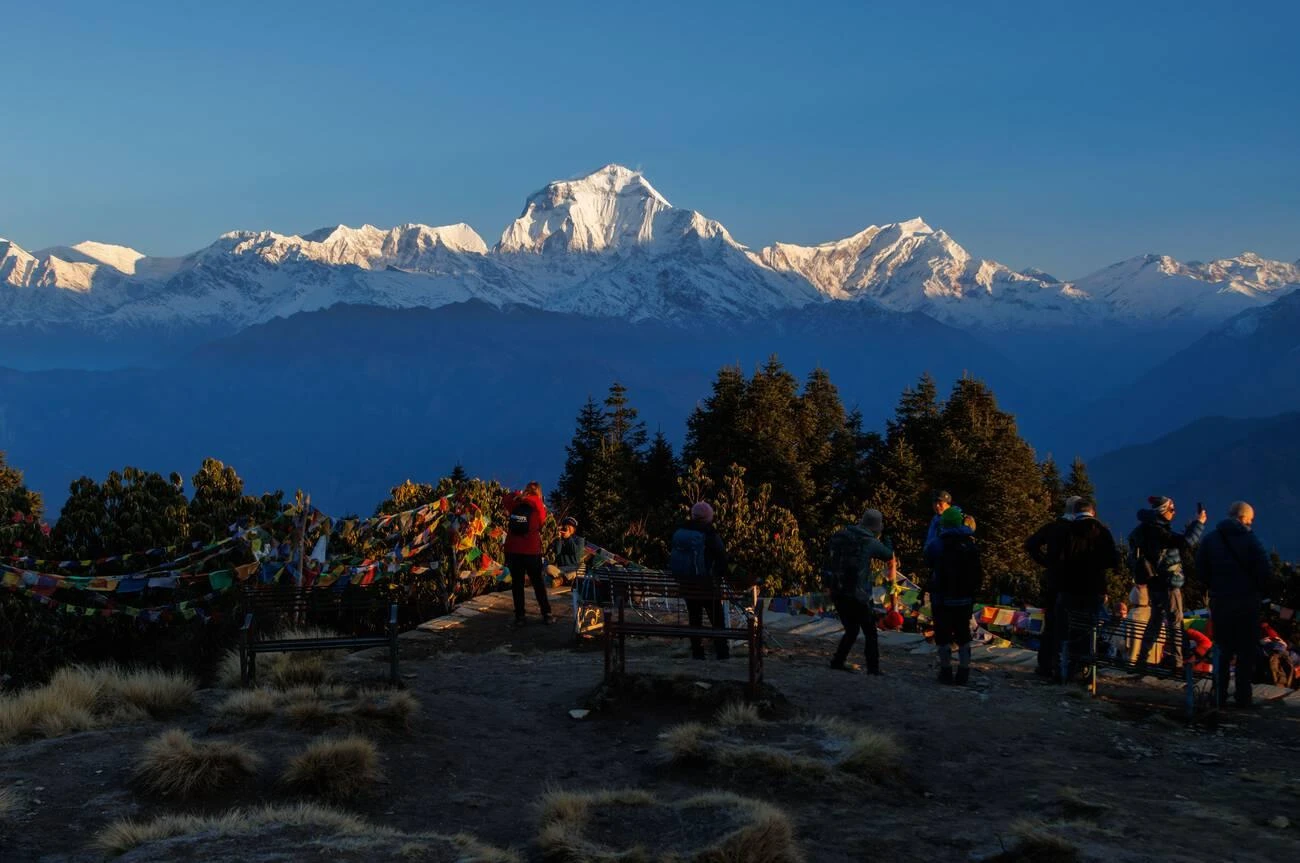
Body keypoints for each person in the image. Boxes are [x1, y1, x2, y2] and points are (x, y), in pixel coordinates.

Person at [1196, 501, 1271, 708]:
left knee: (1222, 649)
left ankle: (1219, 694)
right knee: (1246, 651)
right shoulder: (1251, 541)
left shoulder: (1211, 539)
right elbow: (1265, 571)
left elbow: (1200, 570)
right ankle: (1243, 697)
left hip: (1221, 602)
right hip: (1247, 603)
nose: (1251, 523)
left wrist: (1215, 586)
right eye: (1250, 520)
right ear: (1243, 518)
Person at [1129, 495, 1206, 671]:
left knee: (1155, 621)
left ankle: (1142, 659)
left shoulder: (1143, 529)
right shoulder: (1159, 531)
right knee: (1175, 622)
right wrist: (1199, 523)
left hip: (1153, 582)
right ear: (1163, 511)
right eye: (1172, 509)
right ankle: (1177, 661)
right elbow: (1185, 542)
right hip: (1168, 583)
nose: (1174, 513)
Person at [1054, 499, 1120, 682]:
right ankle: (1085, 669)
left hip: (1069, 587)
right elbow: (1113, 560)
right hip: (1094, 588)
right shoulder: (1103, 532)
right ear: (1093, 512)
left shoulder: (1067, 531)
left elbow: (1057, 558)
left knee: (1067, 628)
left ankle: (1066, 668)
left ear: (1074, 513)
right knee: (1089, 629)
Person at [824, 508, 896, 675]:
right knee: (870, 632)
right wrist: (888, 537)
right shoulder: (869, 541)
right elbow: (888, 554)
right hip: (858, 593)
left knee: (851, 629)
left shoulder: (840, 535)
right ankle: (873, 668)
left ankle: (838, 661)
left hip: (837, 589)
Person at [1024, 495, 1083, 681]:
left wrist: (1046, 562)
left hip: (1053, 581)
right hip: (1074, 583)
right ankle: (1067, 667)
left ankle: (1046, 664)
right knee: (1072, 626)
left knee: (1051, 623)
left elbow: (1031, 544)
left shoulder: (1053, 527)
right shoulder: (1079, 530)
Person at [925, 506, 981, 685]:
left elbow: (928, 559)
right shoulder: (970, 544)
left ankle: (946, 671)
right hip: (964, 598)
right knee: (963, 635)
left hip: (942, 597)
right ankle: (964, 672)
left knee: (943, 635)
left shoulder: (938, 543)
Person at [669, 501, 730, 660]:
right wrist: (720, 576)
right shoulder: (709, 534)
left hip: (686, 584)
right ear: (708, 517)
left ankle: (697, 652)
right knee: (717, 619)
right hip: (707, 585)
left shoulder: (681, 531)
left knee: (694, 617)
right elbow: (722, 558)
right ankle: (722, 652)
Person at [502, 481, 552, 626]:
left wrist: (517, 494)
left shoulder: (516, 501)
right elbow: (542, 521)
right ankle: (546, 613)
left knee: (517, 584)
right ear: (539, 492)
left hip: (513, 549)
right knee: (537, 582)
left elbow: (505, 499)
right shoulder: (538, 504)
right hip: (531, 550)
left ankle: (520, 616)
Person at [546, 516, 585, 585]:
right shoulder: (559, 539)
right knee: (548, 568)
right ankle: (565, 580)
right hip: (561, 569)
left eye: (570, 526)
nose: (567, 528)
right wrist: (559, 538)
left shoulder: (579, 539)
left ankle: (562, 580)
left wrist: (568, 537)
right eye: (565, 526)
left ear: (574, 529)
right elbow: (557, 552)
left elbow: (574, 551)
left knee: (579, 571)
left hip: (573, 568)